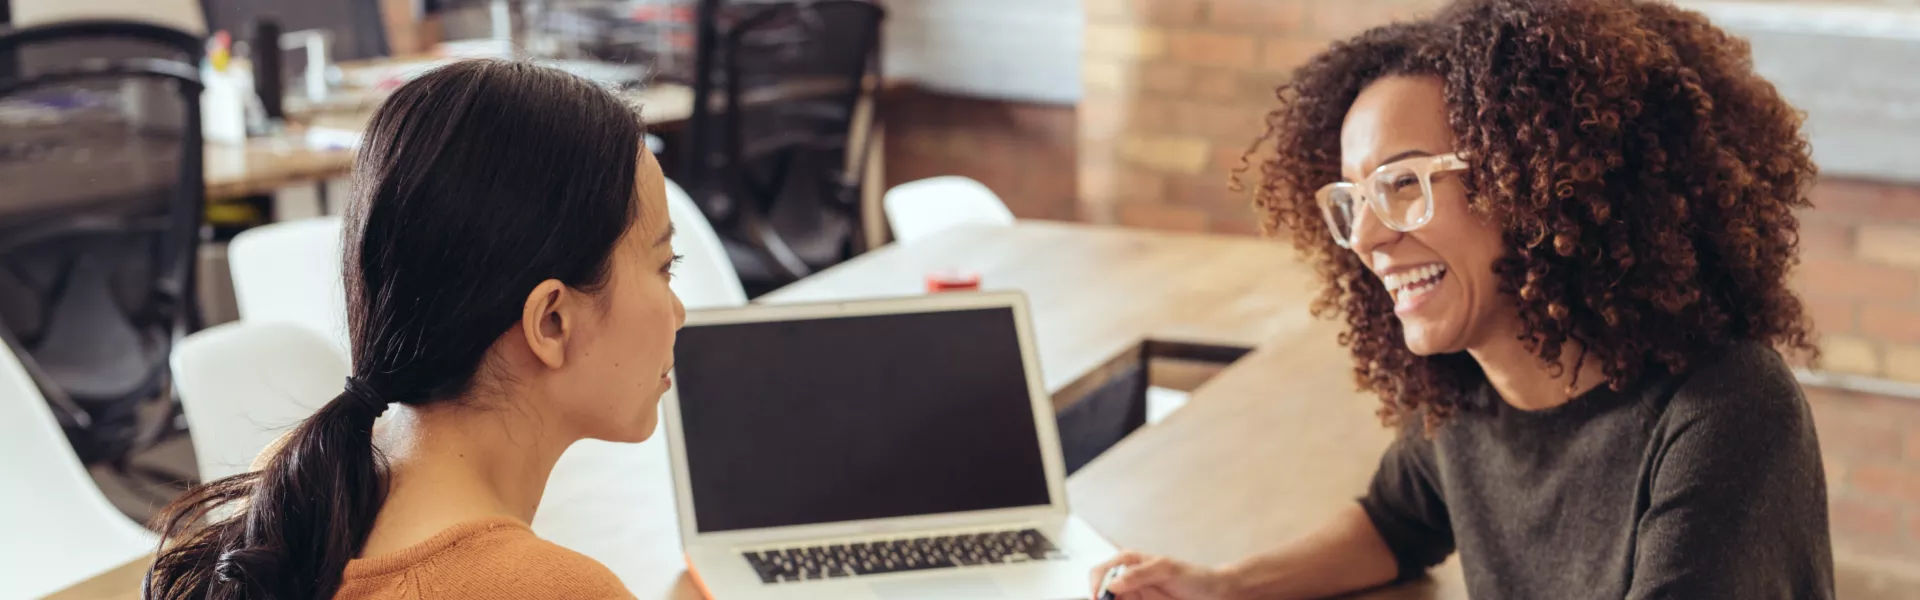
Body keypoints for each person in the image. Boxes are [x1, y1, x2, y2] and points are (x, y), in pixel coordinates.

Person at [1093, 0, 1832, 598]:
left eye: (1406, 183)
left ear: (1537, 185)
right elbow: (1394, 525)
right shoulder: (1470, 393)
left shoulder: (1726, 410)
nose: (1367, 238)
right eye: (1353, 200)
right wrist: (1223, 586)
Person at [145, 60, 685, 599]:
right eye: (666, 267)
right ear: (551, 321)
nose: (680, 312)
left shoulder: (297, 486)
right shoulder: (563, 591)